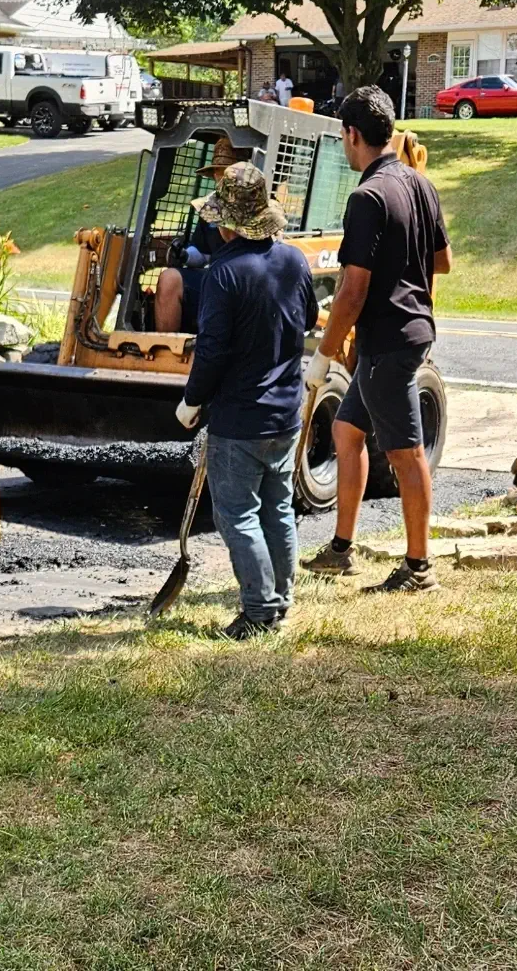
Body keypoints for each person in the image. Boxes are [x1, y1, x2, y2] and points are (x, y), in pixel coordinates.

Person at [301, 85, 452, 593]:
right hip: (405, 333)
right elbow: (443, 262)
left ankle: (419, 569)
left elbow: (352, 291)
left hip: (388, 342)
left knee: (406, 455)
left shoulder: (366, 197)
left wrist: (323, 356)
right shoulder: (419, 184)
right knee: (347, 432)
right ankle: (341, 550)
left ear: (351, 134)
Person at [173, 162, 319, 638]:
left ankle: (259, 611)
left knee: (237, 514)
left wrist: (192, 401)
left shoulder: (223, 273)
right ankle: (281, 601)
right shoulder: (294, 260)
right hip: (286, 413)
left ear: (226, 223)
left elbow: (212, 350)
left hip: (240, 418)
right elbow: (309, 319)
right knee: (278, 508)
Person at [154, 137, 245, 333]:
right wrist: (185, 255)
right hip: (214, 278)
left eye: (224, 173)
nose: (219, 178)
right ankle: (166, 347)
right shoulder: (210, 209)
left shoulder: (255, 209)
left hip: (244, 281)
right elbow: (203, 253)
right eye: (217, 173)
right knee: (169, 278)